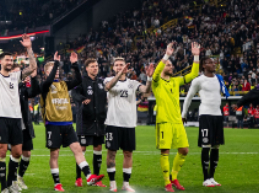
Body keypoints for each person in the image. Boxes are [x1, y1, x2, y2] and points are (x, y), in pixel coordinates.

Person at [41, 51, 105, 192]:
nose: (56, 71)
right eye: (52, 70)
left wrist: (75, 65)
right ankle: (57, 184)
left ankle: (89, 177)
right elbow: (49, 80)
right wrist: (56, 62)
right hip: (53, 124)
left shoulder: (64, 84)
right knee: (55, 154)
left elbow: (78, 80)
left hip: (68, 124)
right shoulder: (45, 85)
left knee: (78, 150)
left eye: (57, 69)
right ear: (46, 72)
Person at [0, 31, 37, 193]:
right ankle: (3, 187)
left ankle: (10, 182)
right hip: (1, 118)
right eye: (7, 60)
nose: (10, 62)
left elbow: (33, 67)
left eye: (11, 60)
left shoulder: (16, 77)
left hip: (16, 119)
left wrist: (29, 48)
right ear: (1, 62)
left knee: (17, 152)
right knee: (1, 150)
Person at [152, 41, 200, 192]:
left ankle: (174, 177)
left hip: (177, 121)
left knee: (184, 150)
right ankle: (167, 183)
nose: (171, 67)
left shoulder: (176, 81)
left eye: (171, 65)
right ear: (161, 68)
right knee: (165, 152)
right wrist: (166, 55)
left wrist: (196, 57)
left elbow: (193, 74)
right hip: (164, 121)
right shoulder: (157, 82)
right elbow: (155, 72)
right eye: (168, 65)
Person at [103, 59, 154, 192]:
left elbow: (146, 90)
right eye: (117, 65)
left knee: (128, 153)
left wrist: (149, 77)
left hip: (129, 123)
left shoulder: (133, 83)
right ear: (113, 68)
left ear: (127, 67)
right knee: (111, 153)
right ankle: (112, 183)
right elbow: (107, 87)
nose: (120, 67)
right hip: (113, 123)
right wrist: (119, 74)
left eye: (122, 65)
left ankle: (126, 184)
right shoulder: (108, 80)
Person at [181, 55, 228, 187]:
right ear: (204, 66)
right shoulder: (198, 80)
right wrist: (183, 114)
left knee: (216, 146)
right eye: (210, 63)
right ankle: (205, 178)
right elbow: (188, 97)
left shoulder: (219, 79)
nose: (213, 64)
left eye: (214, 62)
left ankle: (212, 177)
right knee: (206, 145)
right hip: (205, 115)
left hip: (217, 115)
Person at [71, 58, 108, 188]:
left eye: (96, 66)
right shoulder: (81, 82)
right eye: (92, 66)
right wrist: (82, 99)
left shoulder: (101, 83)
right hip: (84, 121)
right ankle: (78, 178)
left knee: (98, 148)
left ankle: (96, 179)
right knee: (81, 149)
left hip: (99, 121)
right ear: (86, 68)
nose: (95, 68)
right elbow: (74, 93)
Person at [15, 60, 41, 190]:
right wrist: (19, 84)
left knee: (27, 154)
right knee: (15, 153)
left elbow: (33, 92)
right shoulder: (8, 86)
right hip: (12, 125)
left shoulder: (24, 88)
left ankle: (19, 176)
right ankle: (13, 179)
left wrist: (34, 78)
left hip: (24, 124)